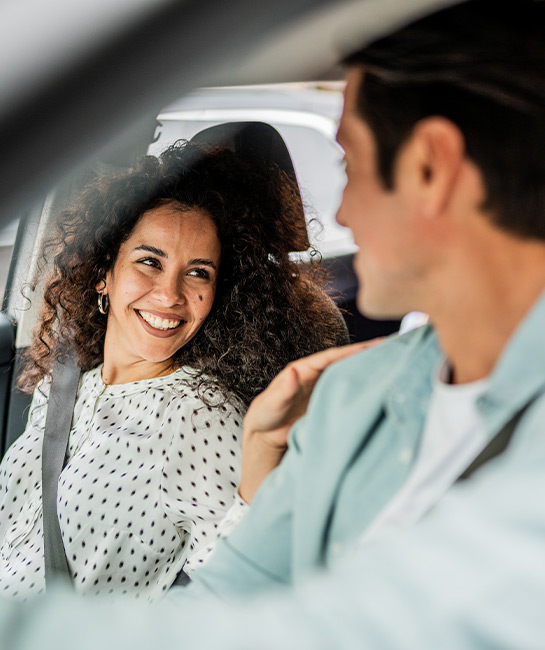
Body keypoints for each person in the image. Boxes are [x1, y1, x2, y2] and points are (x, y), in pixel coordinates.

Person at [3, 0, 545, 647]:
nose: (339, 208)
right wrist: (261, 451)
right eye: (147, 262)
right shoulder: (351, 398)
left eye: (349, 166)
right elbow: (231, 596)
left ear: (428, 167)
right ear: (102, 274)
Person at [0, 137, 348, 601]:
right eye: (149, 262)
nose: (169, 295)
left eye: (198, 272)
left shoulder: (194, 415)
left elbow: (246, 584)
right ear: (105, 272)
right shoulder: (60, 386)